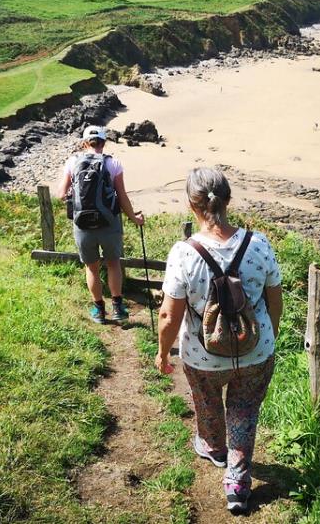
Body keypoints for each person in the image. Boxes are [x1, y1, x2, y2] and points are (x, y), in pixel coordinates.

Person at [155, 167, 283, 515]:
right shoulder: (259, 244)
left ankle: (213, 447)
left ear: (191, 206)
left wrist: (163, 352)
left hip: (202, 356)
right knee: (243, 411)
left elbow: (169, 316)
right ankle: (238, 484)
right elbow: (274, 302)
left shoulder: (184, 253)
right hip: (256, 352)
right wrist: (264, 340)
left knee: (207, 399)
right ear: (228, 201)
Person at [57, 125, 144, 324]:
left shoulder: (72, 162)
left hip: (83, 223)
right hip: (109, 222)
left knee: (92, 267)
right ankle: (118, 307)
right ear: (104, 143)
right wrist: (134, 217)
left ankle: (98, 309)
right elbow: (121, 196)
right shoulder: (113, 163)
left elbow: (61, 195)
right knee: (113, 263)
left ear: (85, 143)